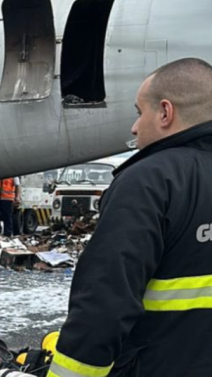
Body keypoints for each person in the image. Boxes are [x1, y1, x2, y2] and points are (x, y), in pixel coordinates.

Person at [49, 58, 212, 377]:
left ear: (165, 113)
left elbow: (103, 306)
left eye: (140, 113)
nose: (134, 127)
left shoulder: (150, 180)